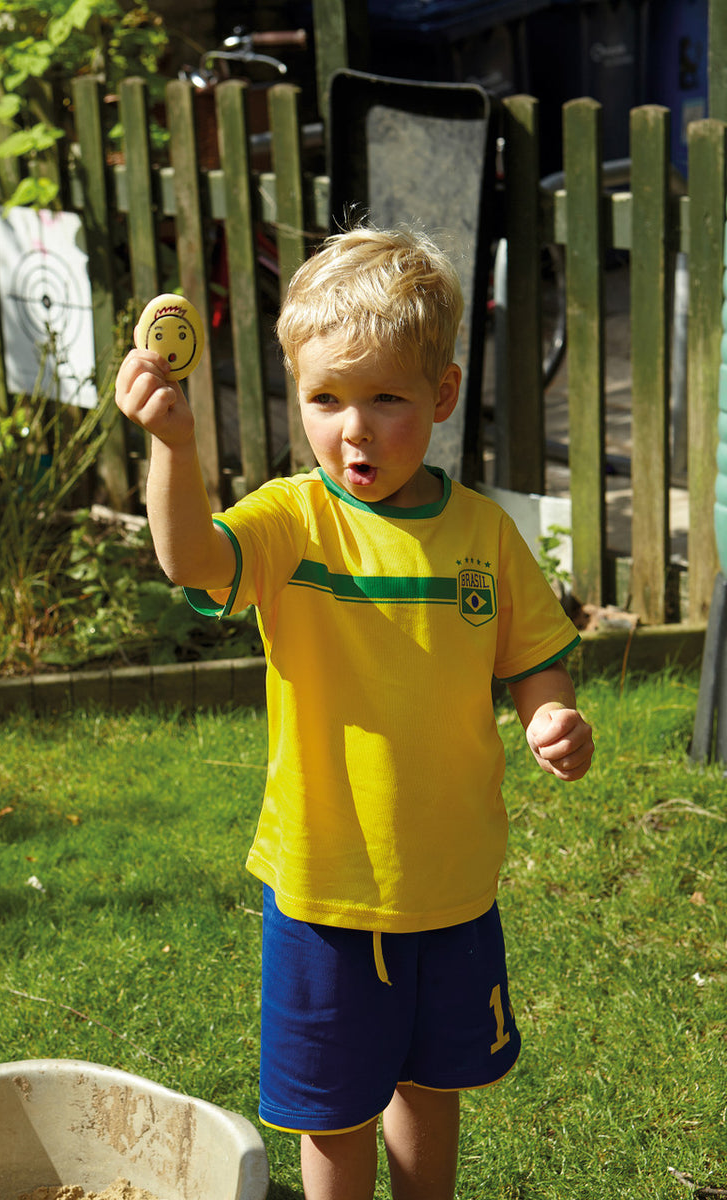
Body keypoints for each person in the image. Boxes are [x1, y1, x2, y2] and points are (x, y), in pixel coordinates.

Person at [115, 225, 595, 1200]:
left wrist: (553, 716)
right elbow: (194, 563)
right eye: (326, 399)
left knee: (431, 1085)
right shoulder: (296, 522)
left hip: (451, 884)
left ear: (443, 397)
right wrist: (174, 443)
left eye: (386, 398)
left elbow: (534, 656)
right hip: (325, 890)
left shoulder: (481, 536)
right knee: (331, 1115)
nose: (355, 429)